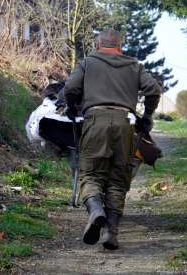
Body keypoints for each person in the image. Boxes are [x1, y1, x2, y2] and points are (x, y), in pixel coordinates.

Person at [64, 29, 161, 250]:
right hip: (125, 124)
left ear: (97, 45)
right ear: (119, 47)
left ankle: (96, 210)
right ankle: (111, 233)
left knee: (90, 174)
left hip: (95, 121)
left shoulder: (87, 62)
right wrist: (146, 116)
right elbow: (153, 89)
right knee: (118, 179)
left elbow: (71, 88)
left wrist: (71, 106)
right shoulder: (134, 65)